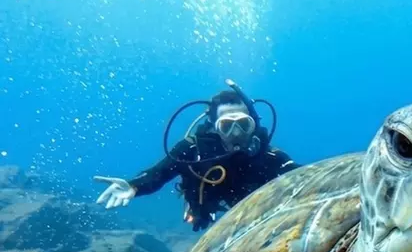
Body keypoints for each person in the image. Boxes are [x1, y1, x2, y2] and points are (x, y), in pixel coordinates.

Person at [94, 79, 299, 231]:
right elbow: (159, 173)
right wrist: (133, 186)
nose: (236, 133)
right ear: (214, 127)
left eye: (243, 125)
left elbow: (303, 176)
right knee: (201, 218)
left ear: (253, 124)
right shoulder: (192, 150)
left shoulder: (269, 155)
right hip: (209, 205)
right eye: (227, 126)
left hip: (258, 214)